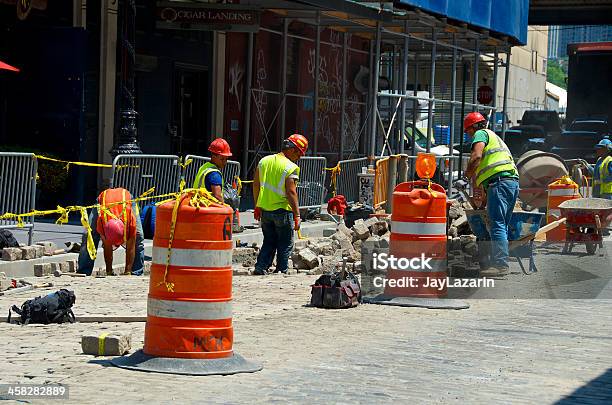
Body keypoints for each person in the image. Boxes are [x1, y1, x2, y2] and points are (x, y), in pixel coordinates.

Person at [463, 112, 519, 277]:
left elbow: (476, 157)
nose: (468, 135)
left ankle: (500, 265)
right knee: (502, 224)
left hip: (500, 183)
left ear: (473, 127)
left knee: (497, 225)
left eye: (468, 131)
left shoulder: (481, 134)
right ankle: (500, 261)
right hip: (511, 183)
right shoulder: (495, 137)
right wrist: (484, 201)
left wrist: (465, 177)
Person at [252, 134, 308, 275]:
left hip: (265, 210)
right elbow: (291, 192)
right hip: (282, 211)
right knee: (285, 243)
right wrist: (297, 214)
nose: (299, 157)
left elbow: (256, 185)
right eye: (299, 153)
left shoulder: (264, 161)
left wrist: (257, 205)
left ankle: (261, 267)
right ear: (292, 150)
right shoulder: (290, 167)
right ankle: (282, 269)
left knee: (269, 241)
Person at [78, 188, 145, 276]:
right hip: (102, 200)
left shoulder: (130, 225)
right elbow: (107, 248)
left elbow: (130, 248)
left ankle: (136, 272)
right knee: (89, 235)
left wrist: (127, 272)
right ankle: (84, 271)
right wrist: (109, 272)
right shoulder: (104, 225)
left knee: (139, 236)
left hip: (127, 199)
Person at [193, 138, 232, 202]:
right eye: (222, 159)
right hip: (208, 208)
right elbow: (218, 196)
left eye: (226, 159)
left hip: (197, 205)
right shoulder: (214, 174)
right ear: (213, 157)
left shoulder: (205, 167)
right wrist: (226, 208)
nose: (225, 162)